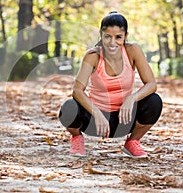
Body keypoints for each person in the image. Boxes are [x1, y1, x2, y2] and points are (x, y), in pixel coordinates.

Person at [59, 11, 163, 158]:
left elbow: (151, 84)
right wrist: (97, 113)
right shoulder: (92, 56)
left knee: (154, 101)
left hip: (125, 119)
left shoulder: (133, 51)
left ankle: (132, 142)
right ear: (101, 35)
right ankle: (76, 138)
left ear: (125, 36)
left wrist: (131, 98)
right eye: (107, 36)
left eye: (118, 37)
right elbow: (77, 91)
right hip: (95, 122)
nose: (112, 42)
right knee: (68, 107)